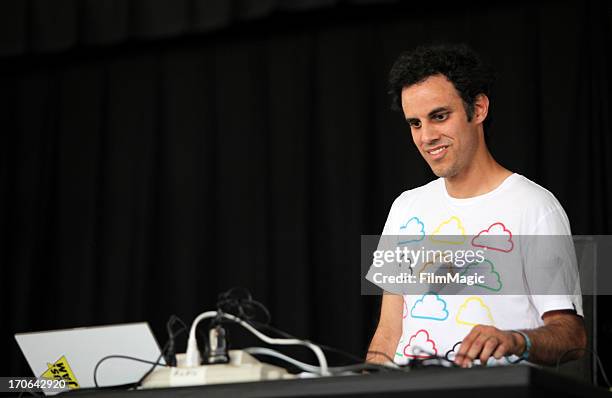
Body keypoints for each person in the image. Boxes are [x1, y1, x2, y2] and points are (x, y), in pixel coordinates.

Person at [366, 44, 586, 368]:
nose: (426, 136)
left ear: (479, 108)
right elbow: (388, 331)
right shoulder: (404, 208)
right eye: (415, 123)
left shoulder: (536, 207)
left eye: (439, 116)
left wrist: (516, 340)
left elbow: (573, 338)